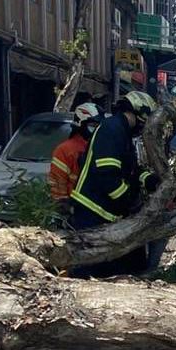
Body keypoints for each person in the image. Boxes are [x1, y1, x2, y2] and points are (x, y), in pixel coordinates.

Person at [69, 90, 157, 275]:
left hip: (105, 212)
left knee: (121, 267)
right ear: (140, 113)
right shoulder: (112, 129)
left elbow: (129, 169)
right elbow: (107, 175)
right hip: (93, 211)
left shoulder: (121, 132)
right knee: (92, 269)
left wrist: (149, 180)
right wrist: (127, 201)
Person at [49, 102, 101, 202]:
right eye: (93, 125)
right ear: (81, 124)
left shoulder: (102, 146)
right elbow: (58, 185)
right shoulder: (66, 150)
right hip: (73, 206)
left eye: (98, 125)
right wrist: (64, 205)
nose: (96, 129)